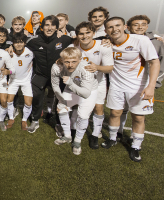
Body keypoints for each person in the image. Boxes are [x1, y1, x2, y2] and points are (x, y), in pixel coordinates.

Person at [102, 17, 160, 162]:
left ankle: (136, 146)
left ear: (125, 26)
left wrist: (151, 86)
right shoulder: (106, 42)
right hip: (116, 85)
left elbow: (154, 62)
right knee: (115, 113)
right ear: (106, 30)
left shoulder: (141, 40)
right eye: (110, 27)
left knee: (138, 117)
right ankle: (113, 138)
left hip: (138, 86)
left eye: (117, 25)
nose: (114, 29)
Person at [26, 15, 72, 133]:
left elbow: (80, 41)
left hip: (58, 76)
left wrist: (105, 39)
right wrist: (10, 47)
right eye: (47, 25)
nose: (49, 28)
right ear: (42, 27)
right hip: (40, 75)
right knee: (36, 97)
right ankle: (35, 120)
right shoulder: (33, 40)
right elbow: (19, 44)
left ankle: (58, 123)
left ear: (57, 27)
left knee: (61, 100)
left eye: (53, 25)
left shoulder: (64, 39)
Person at [73, 22, 114, 149]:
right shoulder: (74, 46)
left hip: (99, 81)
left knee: (98, 108)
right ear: (77, 35)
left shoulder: (103, 46)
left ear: (94, 33)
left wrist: (97, 67)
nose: (84, 36)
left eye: (88, 33)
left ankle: (95, 135)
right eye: (81, 33)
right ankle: (75, 129)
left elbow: (110, 68)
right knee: (77, 107)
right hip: (80, 82)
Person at [51, 47, 98, 155]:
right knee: (61, 109)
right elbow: (55, 85)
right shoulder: (56, 67)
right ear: (61, 60)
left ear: (80, 60)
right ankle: (67, 136)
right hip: (70, 87)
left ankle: (77, 141)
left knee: (83, 115)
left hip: (89, 91)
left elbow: (86, 93)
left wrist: (71, 83)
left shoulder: (86, 68)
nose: (70, 65)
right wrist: (61, 99)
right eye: (67, 62)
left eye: (74, 62)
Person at [7, 33, 34, 130]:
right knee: (9, 100)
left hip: (26, 81)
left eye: (21, 42)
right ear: (13, 44)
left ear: (25, 43)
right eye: (16, 42)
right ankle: (11, 118)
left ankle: (24, 120)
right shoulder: (8, 53)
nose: (18, 44)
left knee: (28, 103)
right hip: (13, 80)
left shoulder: (30, 53)